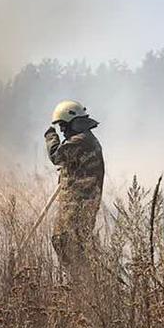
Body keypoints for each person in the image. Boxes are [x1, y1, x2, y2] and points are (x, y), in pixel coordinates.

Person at [44, 100, 104, 274]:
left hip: (78, 202)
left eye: (63, 126)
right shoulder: (87, 139)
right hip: (84, 201)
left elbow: (56, 156)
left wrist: (50, 136)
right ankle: (85, 281)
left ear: (73, 123)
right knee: (78, 244)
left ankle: (80, 280)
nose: (62, 131)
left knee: (63, 240)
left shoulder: (80, 140)